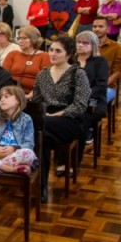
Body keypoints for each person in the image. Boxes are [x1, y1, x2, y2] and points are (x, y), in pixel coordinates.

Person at [32, 35, 90, 202]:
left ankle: (38, 184)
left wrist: (55, 115)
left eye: (58, 51)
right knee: (41, 138)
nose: (53, 54)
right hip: (46, 120)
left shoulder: (78, 74)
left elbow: (79, 105)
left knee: (40, 129)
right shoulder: (43, 74)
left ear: (69, 54)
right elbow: (37, 101)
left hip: (69, 120)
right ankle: (40, 185)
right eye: (51, 50)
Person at [74, 30, 108, 152]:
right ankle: (64, 150)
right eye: (78, 42)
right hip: (72, 100)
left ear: (93, 45)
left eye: (85, 43)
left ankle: (79, 149)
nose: (80, 45)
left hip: (94, 100)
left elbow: (100, 86)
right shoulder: (71, 60)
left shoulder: (100, 61)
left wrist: (82, 97)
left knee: (83, 117)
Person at [2, 26, 51, 97]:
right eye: (19, 38)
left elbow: (45, 82)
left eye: (24, 38)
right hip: (12, 92)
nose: (20, 41)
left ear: (33, 39)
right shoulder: (13, 54)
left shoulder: (45, 56)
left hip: (34, 95)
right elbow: (3, 76)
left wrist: (30, 96)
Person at [93, 17, 121, 103]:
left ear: (108, 29)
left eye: (100, 26)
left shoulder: (116, 47)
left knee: (95, 101)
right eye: (95, 26)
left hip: (107, 86)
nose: (97, 29)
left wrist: (102, 85)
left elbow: (118, 71)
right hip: (87, 85)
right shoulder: (87, 45)